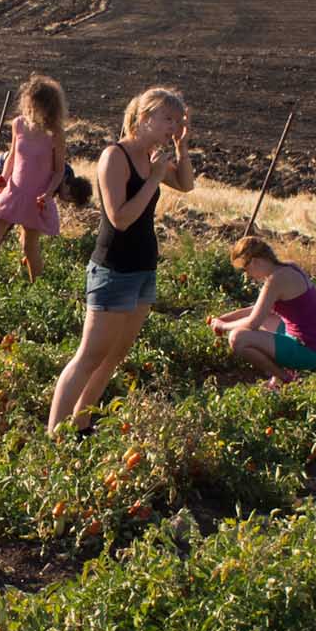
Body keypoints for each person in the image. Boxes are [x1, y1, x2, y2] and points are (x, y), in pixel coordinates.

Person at [48, 85, 196, 433]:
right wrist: (155, 179)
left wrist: (182, 148)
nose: (172, 127)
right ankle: (54, 435)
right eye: (167, 120)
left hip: (143, 269)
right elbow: (120, 218)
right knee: (89, 357)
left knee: (113, 357)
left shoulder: (152, 157)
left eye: (177, 121)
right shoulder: (116, 156)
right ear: (144, 118)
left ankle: (81, 425)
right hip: (114, 269)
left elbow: (187, 184)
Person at [207, 235, 316, 387]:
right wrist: (226, 319)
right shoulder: (288, 268)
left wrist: (223, 326)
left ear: (254, 262)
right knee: (265, 319)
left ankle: (283, 378)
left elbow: (252, 323)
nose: (248, 276)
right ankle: (285, 372)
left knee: (237, 338)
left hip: (307, 351)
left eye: (246, 269)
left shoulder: (275, 280)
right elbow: (258, 310)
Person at [0, 74, 71, 281]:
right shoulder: (19, 124)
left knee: (29, 247)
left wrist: (48, 194)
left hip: (37, 198)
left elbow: (59, 171)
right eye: (28, 102)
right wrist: (2, 179)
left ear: (47, 106)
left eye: (35, 104)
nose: (29, 108)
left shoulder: (55, 134)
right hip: (12, 191)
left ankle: (36, 290)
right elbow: (13, 155)